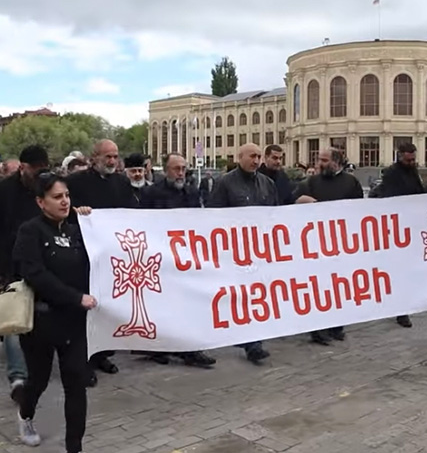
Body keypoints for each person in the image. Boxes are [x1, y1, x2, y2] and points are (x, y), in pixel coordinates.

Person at [12, 173, 95, 451]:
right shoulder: (30, 231)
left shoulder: (75, 231)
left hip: (74, 321)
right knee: (39, 379)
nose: (65, 201)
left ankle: (75, 446)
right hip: (41, 321)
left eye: (67, 196)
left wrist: (91, 222)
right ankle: (25, 414)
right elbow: (35, 273)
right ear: (40, 201)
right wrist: (75, 297)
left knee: (76, 383)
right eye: (57, 197)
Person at [0, 145, 49, 400]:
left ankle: (33, 365)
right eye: (35, 169)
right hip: (6, 264)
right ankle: (18, 379)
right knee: (14, 321)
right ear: (23, 167)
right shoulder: (1, 191)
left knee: (35, 320)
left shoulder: (48, 189)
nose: (39, 174)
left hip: (40, 265)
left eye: (43, 169)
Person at [67, 139, 136, 382]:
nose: (112, 161)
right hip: (84, 256)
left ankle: (100, 353)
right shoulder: (75, 182)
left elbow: (129, 213)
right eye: (107, 156)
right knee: (84, 307)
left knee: (105, 305)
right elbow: (64, 210)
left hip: (112, 257)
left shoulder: (121, 182)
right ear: (93, 157)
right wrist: (77, 212)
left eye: (115, 156)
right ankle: (81, 360)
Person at [138, 153, 216, 367]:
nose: (181, 173)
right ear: (166, 171)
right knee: (160, 306)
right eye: (176, 169)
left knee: (186, 304)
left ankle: (189, 350)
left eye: (183, 168)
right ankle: (158, 347)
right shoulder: (150, 193)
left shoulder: (191, 192)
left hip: (184, 259)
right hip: (158, 259)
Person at [208, 143, 277, 364]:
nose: (256, 160)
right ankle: (248, 341)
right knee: (239, 297)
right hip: (234, 251)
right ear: (240, 157)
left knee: (257, 295)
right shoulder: (224, 183)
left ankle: (253, 341)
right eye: (252, 156)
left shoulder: (268, 183)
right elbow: (213, 216)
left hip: (260, 251)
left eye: (259, 156)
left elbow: (275, 215)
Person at [294, 147, 363, 344]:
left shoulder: (351, 182)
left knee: (340, 286)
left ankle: (336, 326)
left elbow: (360, 210)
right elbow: (294, 200)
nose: (319, 164)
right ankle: (317, 330)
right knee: (318, 288)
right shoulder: (311, 182)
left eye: (324, 160)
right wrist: (303, 201)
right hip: (316, 245)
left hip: (341, 244)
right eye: (318, 160)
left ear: (336, 162)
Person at [375, 142, 425, 328]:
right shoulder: (391, 173)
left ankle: (403, 306)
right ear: (400, 155)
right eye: (408, 159)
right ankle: (399, 309)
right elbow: (390, 197)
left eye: (413, 159)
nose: (411, 162)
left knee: (408, 271)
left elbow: (419, 192)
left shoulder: (413, 171)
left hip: (411, 226)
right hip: (396, 227)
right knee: (398, 271)